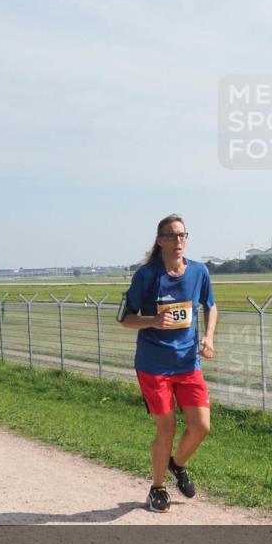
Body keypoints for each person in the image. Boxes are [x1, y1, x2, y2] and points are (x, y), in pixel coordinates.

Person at [119, 214, 217, 513]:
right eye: (172, 236)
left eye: (183, 236)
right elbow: (124, 318)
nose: (179, 242)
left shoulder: (199, 272)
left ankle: (178, 464)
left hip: (188, 362)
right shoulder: (146, 276)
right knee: (167, 427)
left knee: (201, 426)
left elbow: (210, 306)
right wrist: (153, 320)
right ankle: (157, 487)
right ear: (160, 240)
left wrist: (209, 338)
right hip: (154, 365)